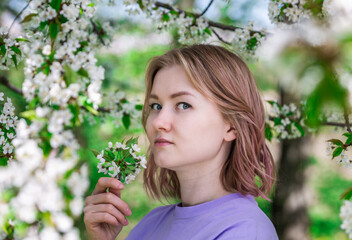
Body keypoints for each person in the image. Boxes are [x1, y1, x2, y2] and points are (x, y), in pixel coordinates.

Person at [84, 44, 279, 240]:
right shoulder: (151, 224)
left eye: (183, 105)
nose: (159, 121)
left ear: (232, 127)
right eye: (156, 106)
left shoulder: (245, 230)